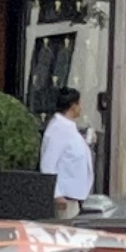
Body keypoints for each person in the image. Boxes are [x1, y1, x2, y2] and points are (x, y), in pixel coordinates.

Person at [41, 88, 93, 219]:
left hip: (74, 196)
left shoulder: (68, 128)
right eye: (79, 104)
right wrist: (57, 194)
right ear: (73, 106)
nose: (81, 107)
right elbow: (48, 164)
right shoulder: (58, 128)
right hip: (65, 199)